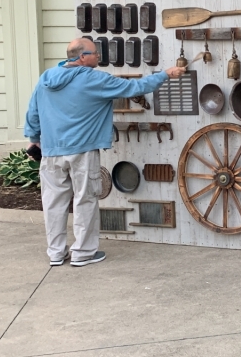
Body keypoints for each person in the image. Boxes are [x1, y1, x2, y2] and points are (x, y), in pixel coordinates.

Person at [24, 38, 186, 267]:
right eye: (95, 53)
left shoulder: (46, 78)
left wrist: (34, 140)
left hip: (51, 152)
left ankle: (56, 253)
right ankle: (83, 253)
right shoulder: (94, 79)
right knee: (85, 201)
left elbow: (33, 112)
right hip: (83, 152)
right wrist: (165, 74)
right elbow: (135, 88)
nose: (99, 56)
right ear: (82, 57)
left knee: (53, 204)